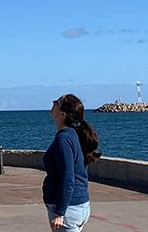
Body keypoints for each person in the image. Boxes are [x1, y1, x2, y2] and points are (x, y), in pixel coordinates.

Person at [43, 94, 101, 231]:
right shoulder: (74, 134)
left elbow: (68, 178)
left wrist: (60, 213)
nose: (53, 102)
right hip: (78, 205)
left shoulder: (64, 139)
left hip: (68, 210)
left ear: (62, 114)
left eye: (57, 101)